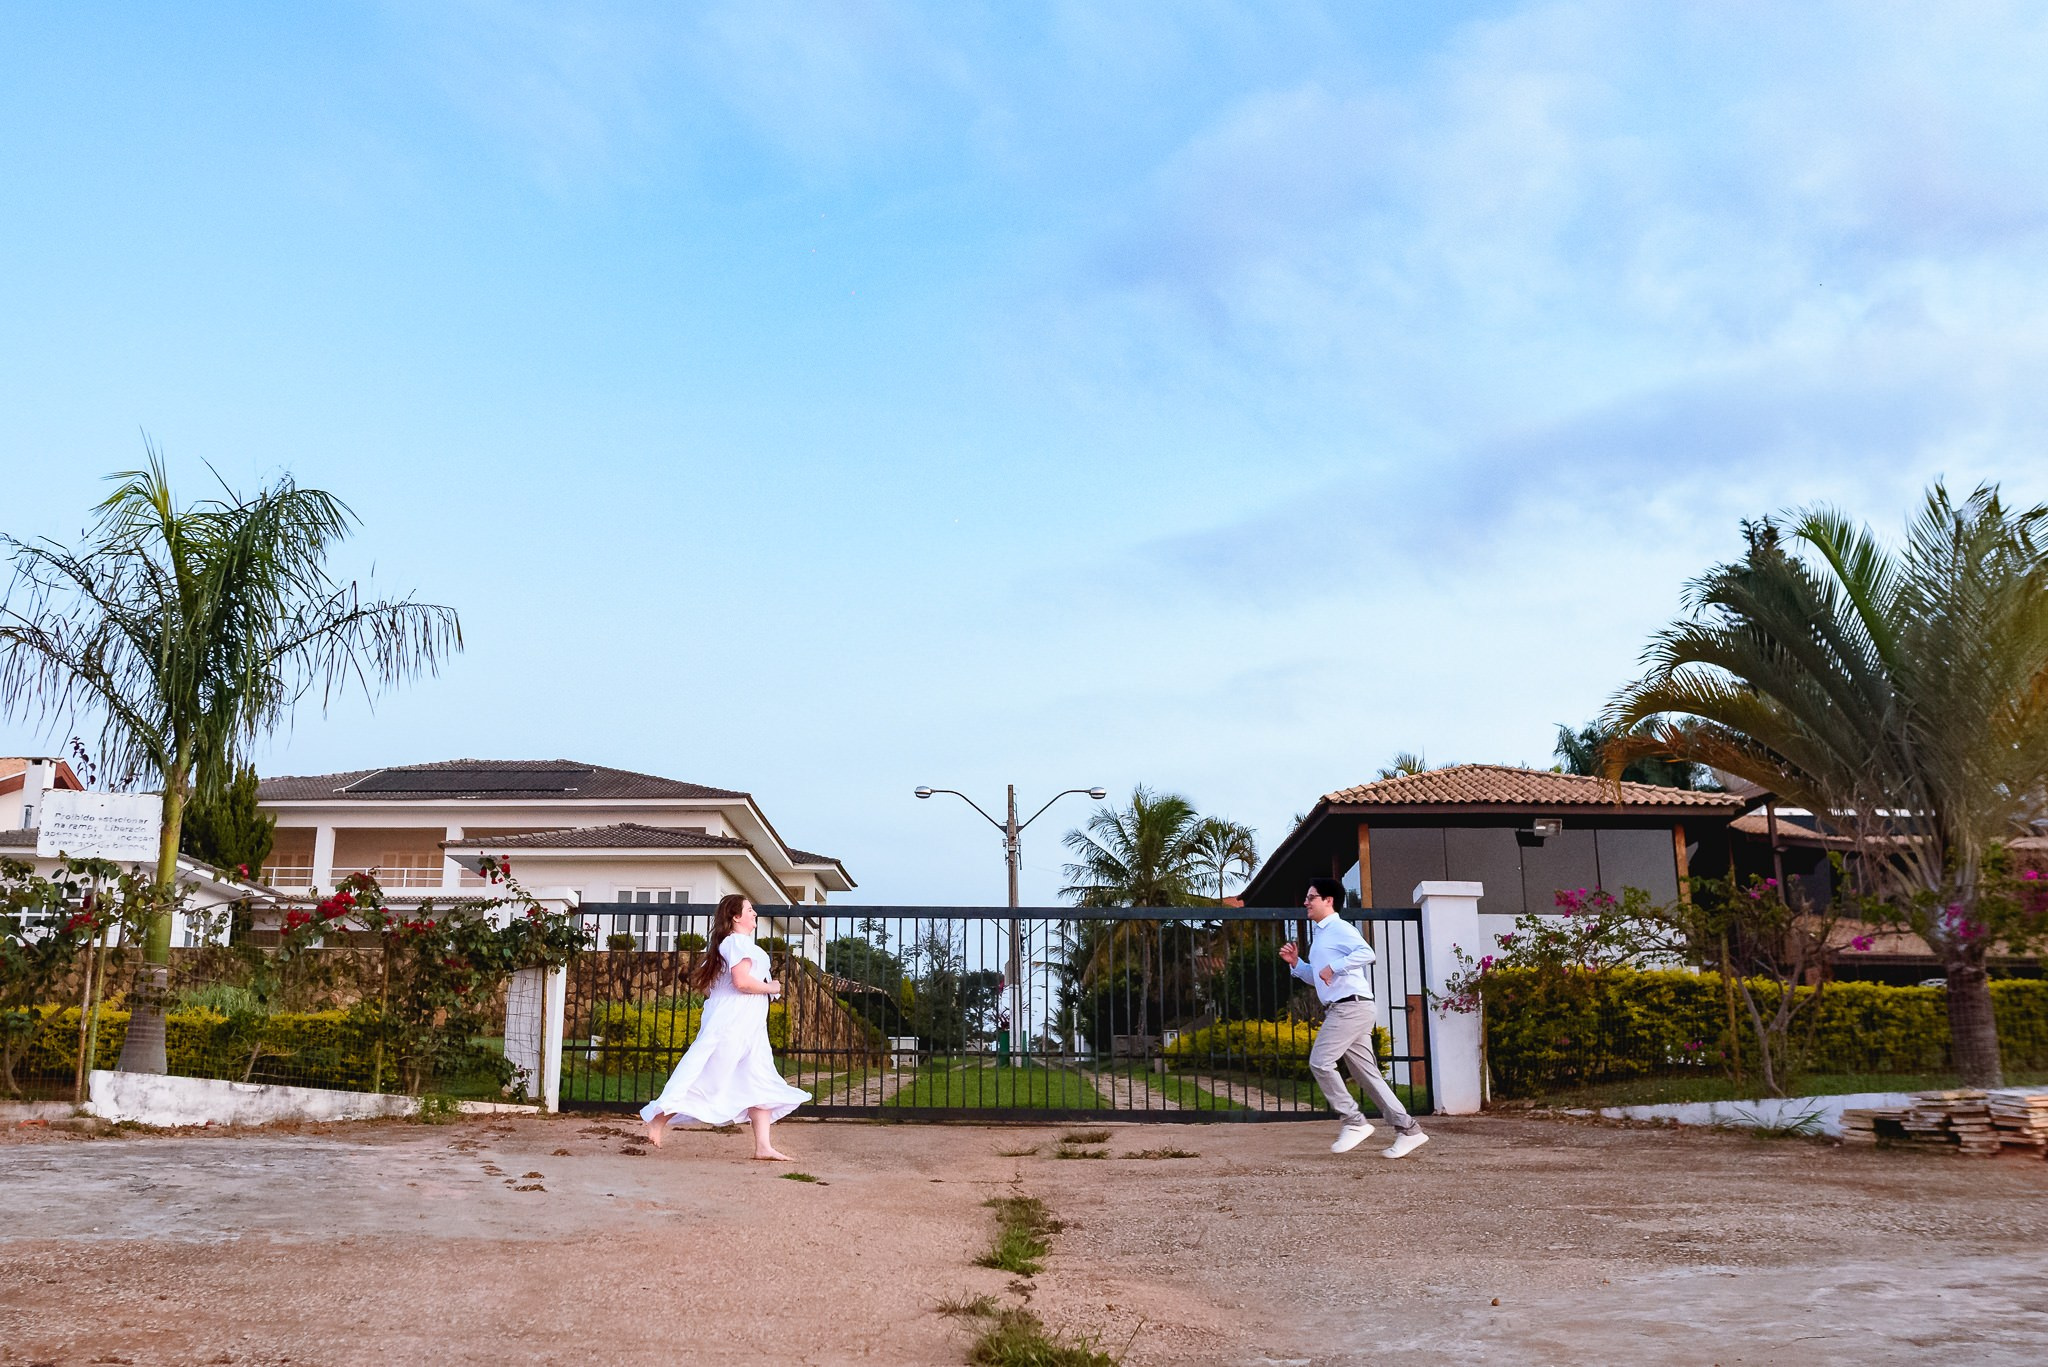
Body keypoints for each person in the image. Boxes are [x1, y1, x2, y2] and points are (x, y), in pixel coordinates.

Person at [641, 894, 809, 1161]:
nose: (755, 914)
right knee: (708, 1077)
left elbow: (711, 987)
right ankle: (658, 1120)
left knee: (759, 1080)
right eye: (750, 910)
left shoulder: (732, 946)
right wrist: (772, 988)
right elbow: (741, 982)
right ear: (735, 916)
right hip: (732, 1025)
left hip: (748, 1027)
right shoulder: (735, 943)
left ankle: (763, 1146)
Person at [1279, 877, 1429, 1158]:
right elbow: (1320, 978)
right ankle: (1409, 1130)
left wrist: (1334, 966)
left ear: (1328, 901)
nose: (1305, 903)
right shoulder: (1322, 936)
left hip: (1350, 1007)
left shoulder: (1339, 928)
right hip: (1348, 1007)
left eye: (1311, 897)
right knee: (1367, 1075)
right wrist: (1298, 965)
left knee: (1321, 1062)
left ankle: (1354, 1122)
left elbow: (1367, 953)